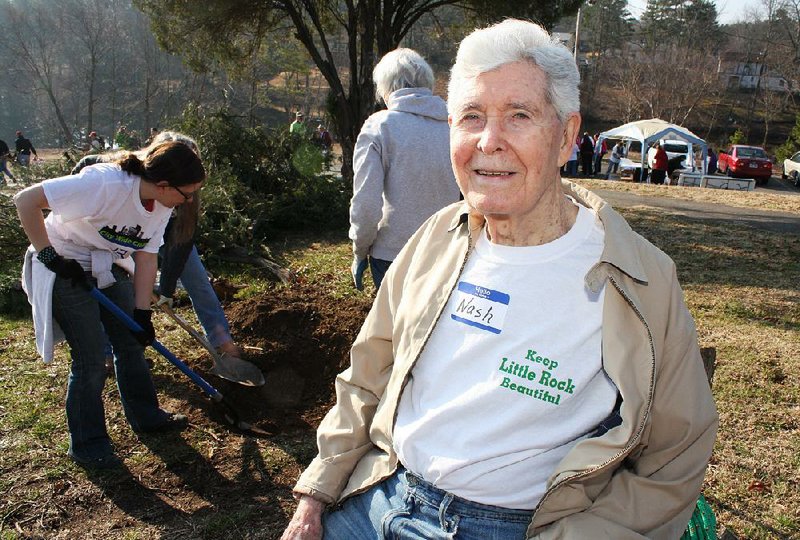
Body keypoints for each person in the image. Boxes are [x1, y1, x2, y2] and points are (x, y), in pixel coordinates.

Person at [283, 18, 717, 540]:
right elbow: (367, 375)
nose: (489, 141)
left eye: (519, 115)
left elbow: (674, 456)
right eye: (471, 117)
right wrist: (317, 493)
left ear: (567, 136)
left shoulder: (639, 278)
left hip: (516, 527)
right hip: (382, 495)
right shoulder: (435, 239)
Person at [15, 140, 205, 469]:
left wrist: (142, 314)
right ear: (163, 185)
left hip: (107, 264)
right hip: (64, 265)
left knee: (132, 343)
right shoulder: (105, 184)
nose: (188, 201)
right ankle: (88, 443)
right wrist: (50, 256)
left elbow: (146, 259)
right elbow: (26, 200)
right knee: (90, 359)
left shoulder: (161, 206)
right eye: (186, 193)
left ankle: (147, 416)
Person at [71, 132, 245, 364]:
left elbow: (182, 242)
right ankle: (111, 351)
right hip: (121, 230)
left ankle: (221, 341)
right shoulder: (119, 172)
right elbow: (80, 175)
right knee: (112, 286)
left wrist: (166, 289)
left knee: (199, 281)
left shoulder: (187, 191)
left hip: (164, 231)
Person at [348, 47, 460, 290]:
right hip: (445, 251)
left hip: (393, 253)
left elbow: (366, 203)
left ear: (386, 88)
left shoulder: (380, 126)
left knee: (395, 326)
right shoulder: (455, 127)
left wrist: (360, 249)